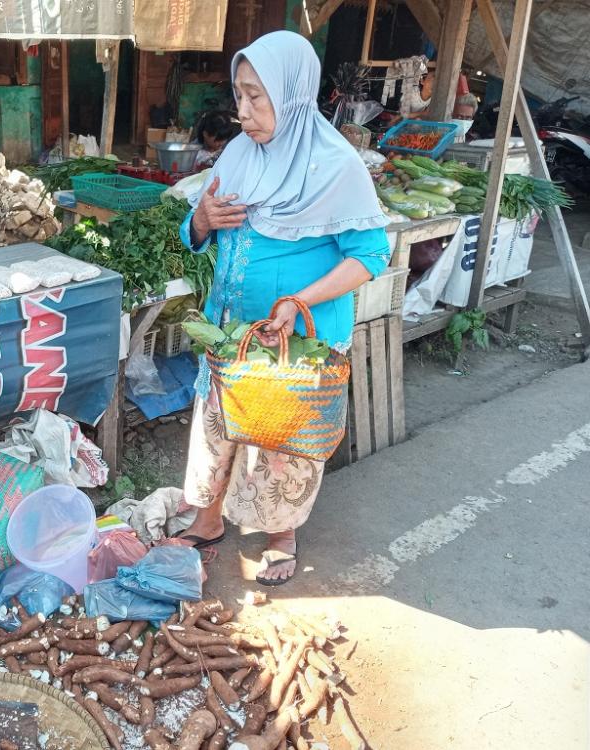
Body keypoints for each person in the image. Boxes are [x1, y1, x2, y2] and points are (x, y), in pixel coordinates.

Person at [174, 31, 391, 585]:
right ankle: (208, 518)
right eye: (238, 96)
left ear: (292, 96)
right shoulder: (241, 152)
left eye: (256, 97)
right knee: (219, 421)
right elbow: (195, 231)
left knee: (280, 438)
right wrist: (201, 221)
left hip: (297, 339)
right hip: (234, 330)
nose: (242, 112)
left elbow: (370, 256)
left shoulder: (335, 166)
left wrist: (299, 300)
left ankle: (280, 534)